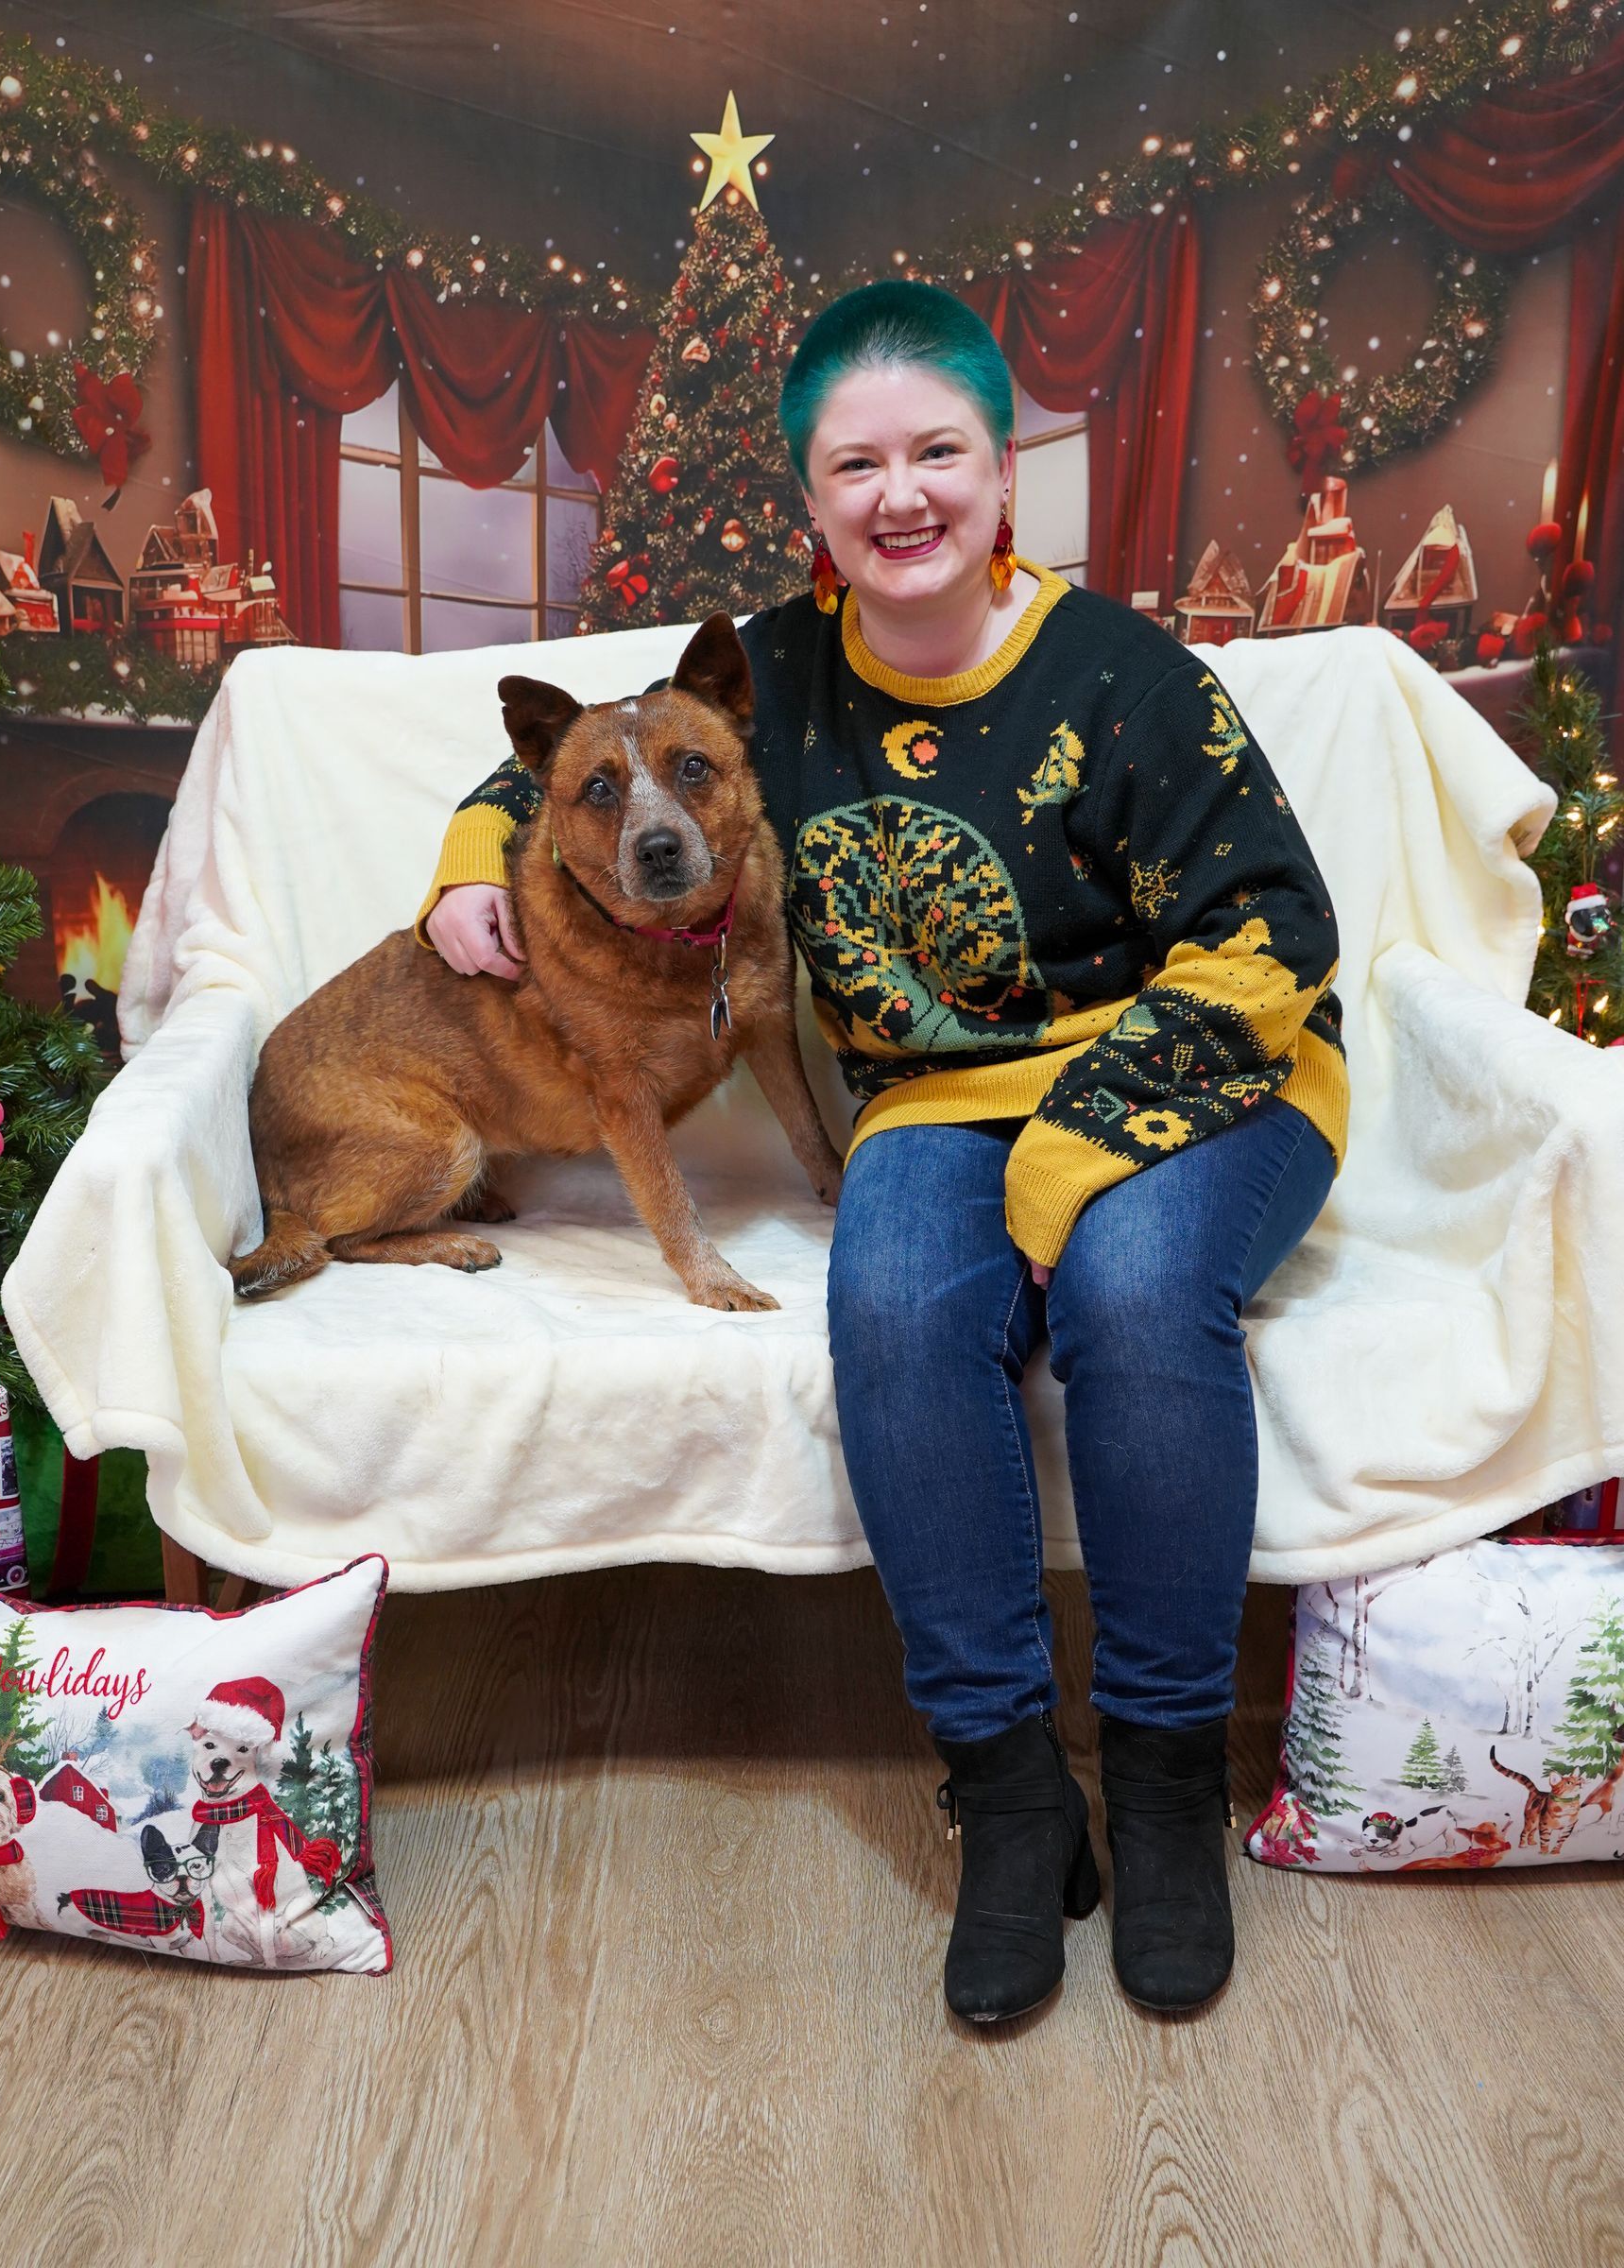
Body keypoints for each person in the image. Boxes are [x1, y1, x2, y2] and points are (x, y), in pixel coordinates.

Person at [421, 280, 1346, 2021]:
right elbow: (581, 765)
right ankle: (1007, 1796)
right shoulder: (768, 670)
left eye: (940, 451)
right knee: (900, 1306)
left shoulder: (1130, 680)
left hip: (1211, 1074)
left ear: (1004, 476)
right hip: (945, 1094)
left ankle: (1160, 1794)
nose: (902, 493)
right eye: (860, 466)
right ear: (815, 504)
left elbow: (1273, 941)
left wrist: (1074, 1158)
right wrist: (469, 863)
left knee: (1141, 1293)